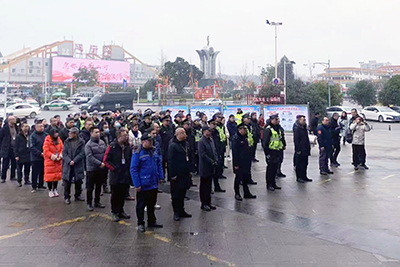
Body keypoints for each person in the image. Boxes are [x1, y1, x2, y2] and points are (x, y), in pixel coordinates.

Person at [131, 133, 164, 232]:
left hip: (153, 182)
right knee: (141, 205)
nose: (151, 143)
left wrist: (161, 176)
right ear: (143, 142)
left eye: (152, 141)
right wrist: (137, 184)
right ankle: (141, 223)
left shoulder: (154, 151)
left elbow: (159, 164)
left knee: (151, 203)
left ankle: (151, 221)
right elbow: (134, 169)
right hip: (143, 183)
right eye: (149, 141)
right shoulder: (138, 152)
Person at [104, 129, 132, 222]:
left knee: (123, 193)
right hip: (115, 175)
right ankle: (114, 212)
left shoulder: (128, 146)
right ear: (119, 137)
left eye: (127, 135)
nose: (126, 137)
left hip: (125, 173)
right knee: (115, 194)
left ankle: (121, 210)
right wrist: (114, 168)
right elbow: (106, 160)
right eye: (124, 136)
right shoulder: (112, 146)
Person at [168, 128, 193, 221]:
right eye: (183, 133)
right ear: (178, 134)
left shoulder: (186, 144)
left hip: (185, 172)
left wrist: (190, 170)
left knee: (183, 192)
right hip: (177, 174)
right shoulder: (173, 145)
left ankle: (182, 210)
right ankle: (176, 212)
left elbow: (190, 157)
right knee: (176, 194)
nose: (185, 135)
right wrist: (172, 174)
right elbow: (170, 161)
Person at [85, 126, 108, 211]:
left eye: (98, 132)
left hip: (101, 169)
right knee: (90, 187)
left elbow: (105, 153)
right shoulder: (88, 145)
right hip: (92, 169)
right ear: (91, 133)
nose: (98, 134)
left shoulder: (102, 142)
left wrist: (104, 163)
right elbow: (89, 157)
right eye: (96, 132)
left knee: (99, 186)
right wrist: (99, 163)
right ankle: (89, 203)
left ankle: (97, 201)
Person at [232, 124, 256, 200]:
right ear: (239, 129)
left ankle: (246, 192)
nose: (245, 131)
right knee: (238, 178)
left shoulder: (245, 138)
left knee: (245, 177)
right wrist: (236, 164)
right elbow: (235, 153)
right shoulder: (236, 138)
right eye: (243, 129)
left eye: (245, 130)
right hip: (239, 162)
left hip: (246, 161)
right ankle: (237, 193)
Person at [62, 127, 86, 204]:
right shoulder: (66, 141)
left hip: (77, 164)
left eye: (71, 133)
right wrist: (69, 161)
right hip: (68, 164)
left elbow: (82, 153)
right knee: (67, 181)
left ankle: (78, 195)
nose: (69, 134)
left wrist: (74, 161)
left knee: (78, 181)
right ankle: (67, 196)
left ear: (75, 134)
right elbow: (64, 153)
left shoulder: (81, 142)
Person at [198, 126, 219, 211]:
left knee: (209, 186)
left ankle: (209, 202)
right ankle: (204, 203)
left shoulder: (211, 140)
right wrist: (211, 161)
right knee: (204, 186)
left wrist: (216, 159)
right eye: (208, 131)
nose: (210, 132)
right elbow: (203, 154)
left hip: (211, 166)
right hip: (205, 167)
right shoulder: (201, 141)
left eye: (210, 131)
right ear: (204, 132)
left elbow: (214, 151)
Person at [263, 115, 285, 191]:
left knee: (275, 168)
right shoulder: (268, 129)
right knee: (270, 169)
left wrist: (283, 146)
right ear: (272, 120)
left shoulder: (278, 128)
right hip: (271, 152)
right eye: (276, 119)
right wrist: (267, 154)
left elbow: (280, 138)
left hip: (277, 151)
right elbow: (265, 143)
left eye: (278, 119)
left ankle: (273, 183)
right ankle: (269, 184)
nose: (277, 121)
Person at [43, 128, 63, 198]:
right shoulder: (47, 140)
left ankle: (55, 189)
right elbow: (46, 151)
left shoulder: (59, 140)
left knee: (56, 176)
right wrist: (52, 156)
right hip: (50, 161)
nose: (56, 134)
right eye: (55, 133)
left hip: (58, 160)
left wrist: (60, 155)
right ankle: (50, 190)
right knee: (50, 177)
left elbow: (62, 149)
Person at [208, 119, 226, 192]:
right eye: (212, 124)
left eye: (215, 124)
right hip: (210, 154)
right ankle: (209, 189)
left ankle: (217, 187)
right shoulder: (208, 133)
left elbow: (219, 141)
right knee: (209, 173)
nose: (214, 125)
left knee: (216, 172)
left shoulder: (216, 131)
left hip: (217, 152)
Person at [294, 115, 312, 183]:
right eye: (303, 120)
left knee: (305, 163)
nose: (304, 121)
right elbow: (296, 140)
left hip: (305, 148)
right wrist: (298, 150)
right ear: (299, 120)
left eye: (305, 120)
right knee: (299, 164)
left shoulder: (304, 128)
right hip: (300, 149)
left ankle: (304, 176)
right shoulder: (297, 128)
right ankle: (299, 177)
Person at [30, 120, 47, 192]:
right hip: (35, 157)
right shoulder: (33, 136)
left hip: (44, 156)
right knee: (35, 172)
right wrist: (39, 153)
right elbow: (32, 147)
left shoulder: (46, 135)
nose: (41, 128)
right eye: (40, 127)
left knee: (42, 171)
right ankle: (34, 186)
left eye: (42, 126)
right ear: (36, 127)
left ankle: (41, 184)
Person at [0, 115, 18, 183]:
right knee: (5, 163)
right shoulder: (4, 128)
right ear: (9, 120)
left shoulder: (16, 127)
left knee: (14, 163)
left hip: (14, 148)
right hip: (7, 148)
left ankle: (12, 176)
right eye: (13, 119)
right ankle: (3, 177)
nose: (15, 120)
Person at [14, 123, 31, 187]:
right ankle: (19, 180)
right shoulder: (18, 136)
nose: (26, 128)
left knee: (27, 168)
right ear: (21, 127)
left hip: (28, 154)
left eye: (27, 126)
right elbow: (16, 146)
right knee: (19, 169)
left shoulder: (30, 134)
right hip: (20, 154)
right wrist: (16, 155)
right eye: (25, 127)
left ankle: (26, 179)